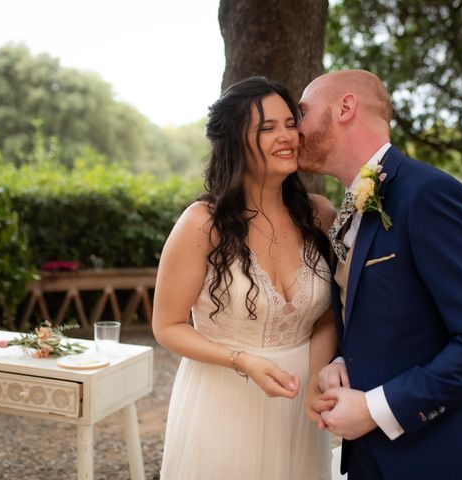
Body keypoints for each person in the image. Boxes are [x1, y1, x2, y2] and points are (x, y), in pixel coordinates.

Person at [298, 70, 462, 479]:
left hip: (442, 458)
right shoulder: (349, 210)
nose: (295, 128)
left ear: (345, 107)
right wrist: (341, 359)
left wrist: (375, 409)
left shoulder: (428, 195)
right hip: (370, 459)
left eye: (303, 112)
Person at [152, 77, 338, 479]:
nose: (287, 135)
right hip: (223, 395)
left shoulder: (320, 215)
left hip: (299, 400)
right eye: (267, 128)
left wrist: (317, 380)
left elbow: (328, 313)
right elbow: (166, 326)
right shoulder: (202, 224)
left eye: (290, 123)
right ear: (235, 141)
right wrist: (242, 361)